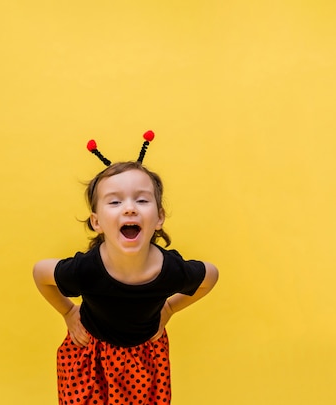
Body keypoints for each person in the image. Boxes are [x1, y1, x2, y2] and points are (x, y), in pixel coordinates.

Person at [33, 131, 218, 404]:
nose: (130, 208)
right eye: (115, 201)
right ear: (96, 222)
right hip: (90, 355)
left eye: (141, 200)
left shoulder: (170, 270)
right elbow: (40, 273)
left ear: (159, 218)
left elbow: (210, 276)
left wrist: (169, 308)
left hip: (142, 359)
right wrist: (68, 312)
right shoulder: (86, 270)